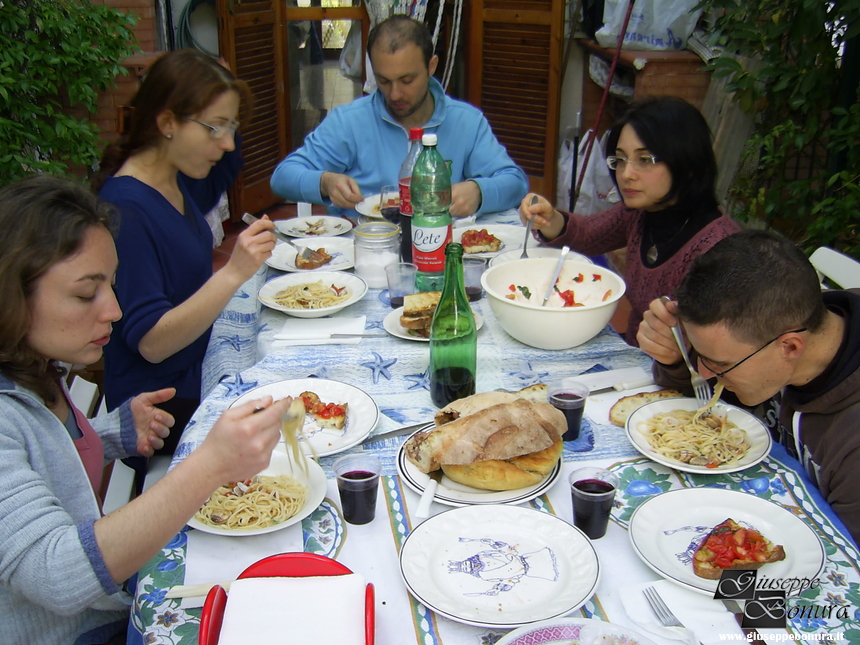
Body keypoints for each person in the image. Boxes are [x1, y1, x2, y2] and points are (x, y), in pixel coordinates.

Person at [0, 175, 292, 645]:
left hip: (110, 595)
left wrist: (113, 430)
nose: (114, 310)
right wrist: (210, 465)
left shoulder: (38, 366)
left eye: (112, 286)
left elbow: (41, 455)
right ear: (10, 294)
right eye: (84, 293)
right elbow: (57, 575)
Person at [91, 49, 277, 451]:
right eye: (215, 128)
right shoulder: (126, 209)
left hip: (196, 370)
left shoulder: (174, 180)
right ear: (167, 123)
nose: (228, 143)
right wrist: (233, 272)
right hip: (160, 410)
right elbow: (152, 344)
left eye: (233, 127)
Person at [637, 229, 860, 543]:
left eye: (721, 364)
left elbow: (846, 565)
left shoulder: (852, 446)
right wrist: (676, 359)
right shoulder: (783, 316)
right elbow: (706, 398)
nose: (703, 372)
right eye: (699, 355)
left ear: (791, 347)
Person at [518, 96, 740, 345]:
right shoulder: (640, 212)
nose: (626, 174)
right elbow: (588, 234)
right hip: (633, 358)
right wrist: (550, 219)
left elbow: (717, 353)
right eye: (620, 160)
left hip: (677, 378)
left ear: (687, 162)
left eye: (645, 160)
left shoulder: (719, 251)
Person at [270, 14, 528, 219]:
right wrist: (325, 182)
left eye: (407, 80)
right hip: (365, 252)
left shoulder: (466, 121)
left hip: (440, 248)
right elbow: (282, 177)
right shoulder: (349, 121)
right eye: (383, 81)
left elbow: (516, 183)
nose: (395, 94)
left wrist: (478, 192)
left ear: (431, 67)